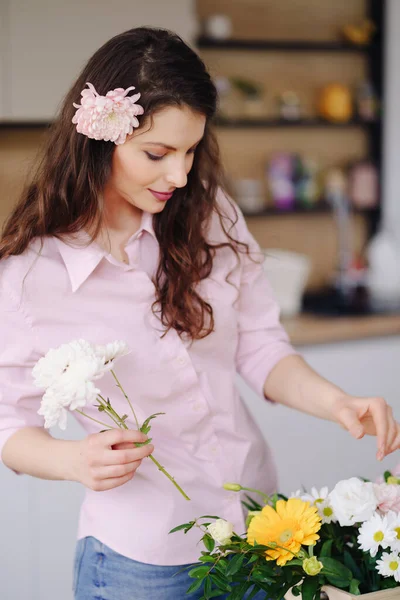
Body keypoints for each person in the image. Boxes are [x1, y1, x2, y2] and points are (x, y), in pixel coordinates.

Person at [0, 27, 399, 600]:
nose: (180, 176)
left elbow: (260, 346)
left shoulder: (210, 217)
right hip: (143, 565)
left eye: (191, 150)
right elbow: (9, 425)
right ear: (98, 138)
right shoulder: (30, 276)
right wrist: (71, 460)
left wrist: (335, 401)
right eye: (157, 154)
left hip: (259, 533)